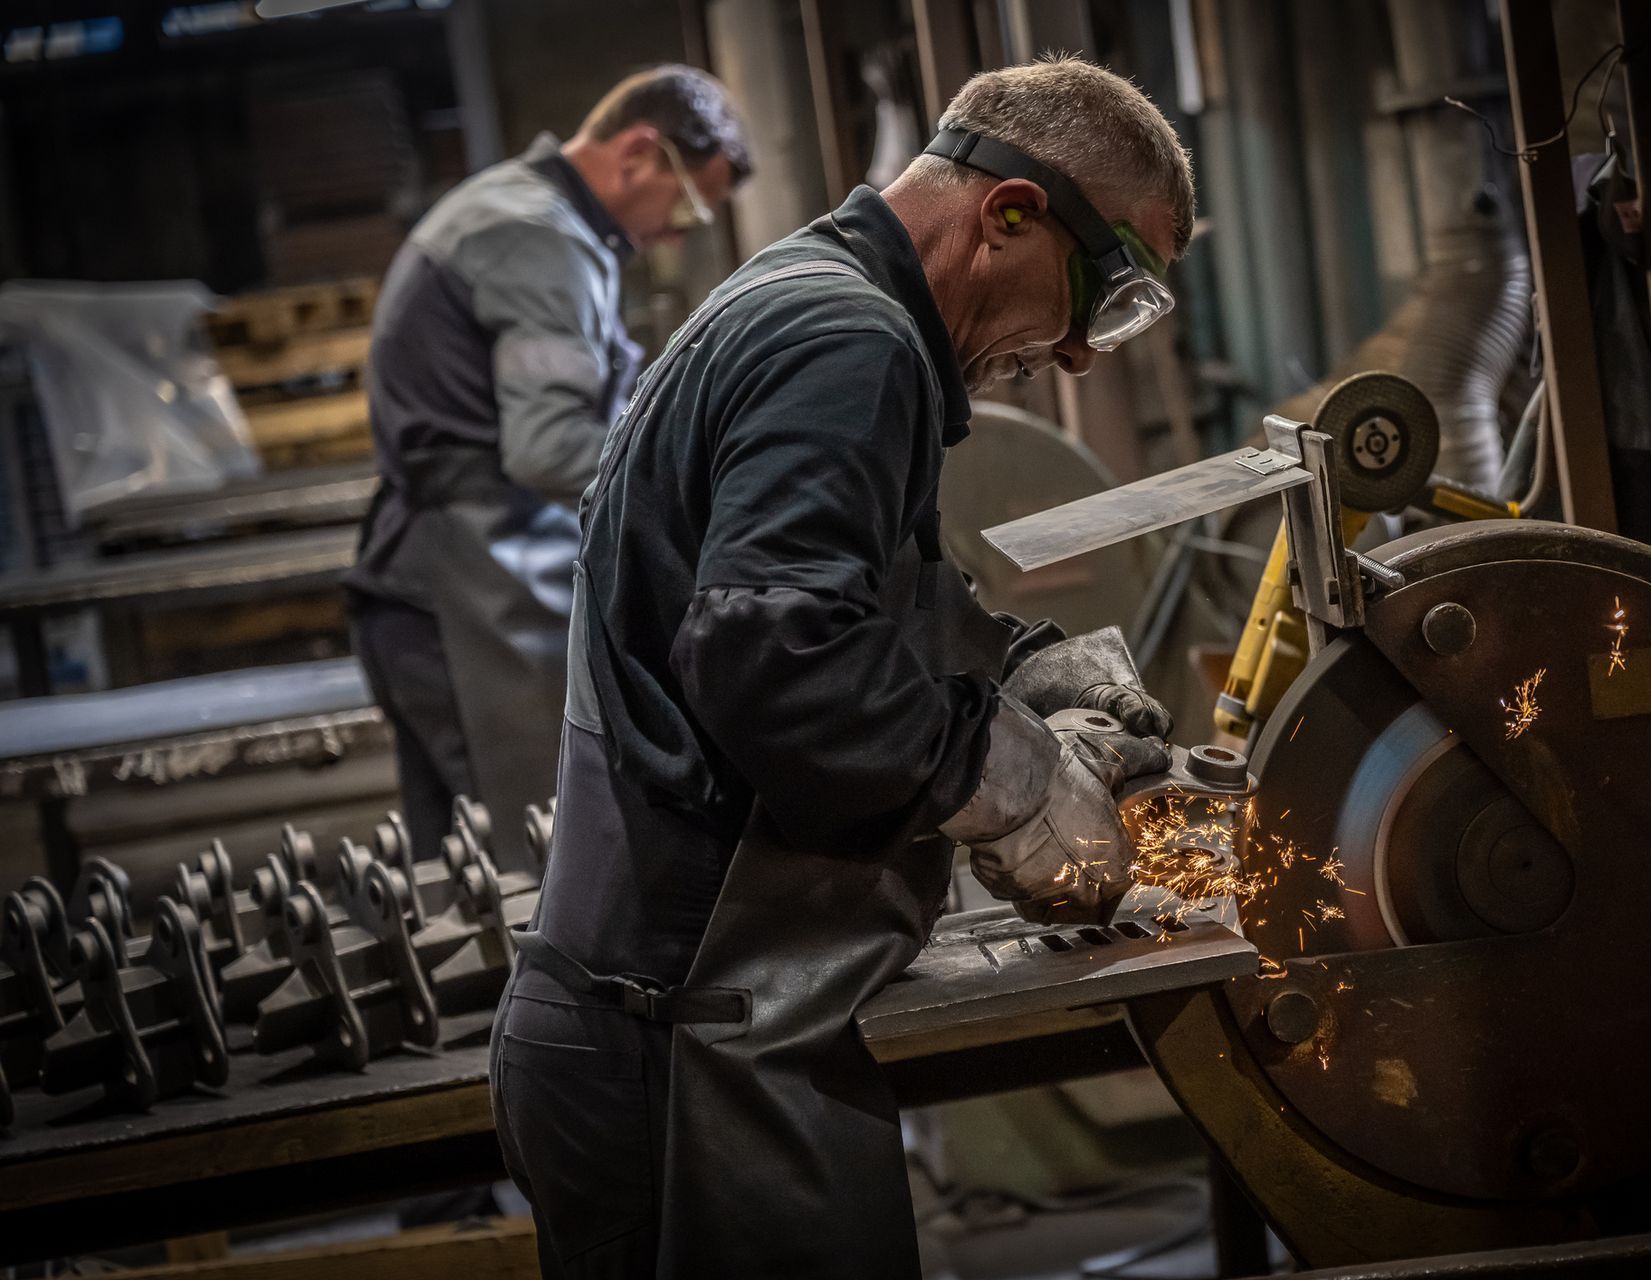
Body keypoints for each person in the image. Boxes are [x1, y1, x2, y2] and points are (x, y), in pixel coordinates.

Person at [491, 55, 1195, 1278]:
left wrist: (1033, 677)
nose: (1084, 351)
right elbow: (776, 654)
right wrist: (1015, 787)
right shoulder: (849, 341)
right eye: (1105, 290)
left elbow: (855, 608)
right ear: (1009, 214)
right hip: (683, 1047)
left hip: (693, 1026)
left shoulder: (808, 296)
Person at [345, 66, 750, 870]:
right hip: (471, 590)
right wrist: (703, 493)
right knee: (539, 860)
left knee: (466, 878)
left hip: (434, 579)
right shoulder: (541, 236)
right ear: (640, 154)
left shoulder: (517, 207)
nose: (673, 237)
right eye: (684, 210)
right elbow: (549, 446)